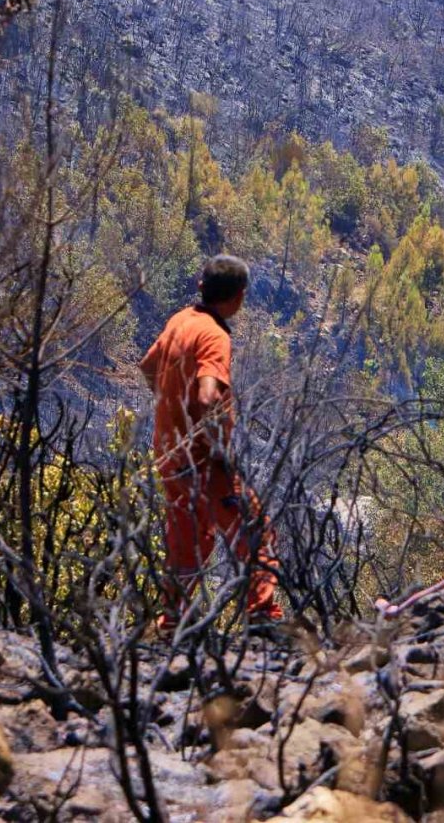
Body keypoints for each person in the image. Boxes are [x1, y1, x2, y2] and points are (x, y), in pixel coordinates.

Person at [140, 255, 282, 631]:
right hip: (202, 459)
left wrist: (172, 408)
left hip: (169, 454)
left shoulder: (179, 321)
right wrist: (216, 448)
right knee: (255, 531)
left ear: (202, 288)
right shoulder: (214, 336)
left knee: (187, 538)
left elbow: (148, 367)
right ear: (239, 297)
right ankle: (263, 616)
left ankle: (174, 622)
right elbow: (207, 397)